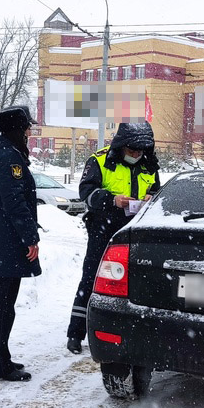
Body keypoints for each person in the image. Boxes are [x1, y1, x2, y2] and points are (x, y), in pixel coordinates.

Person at [66, 122, 160, 354]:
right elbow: (86, 193)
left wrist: (152, 197)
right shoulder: (99, 160)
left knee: (134, 283)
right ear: (121, 146)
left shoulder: (148, 163)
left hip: (136, 231)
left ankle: (131, 331)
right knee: (91, 279)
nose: (136, 155)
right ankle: (76, 333)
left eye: (140, 151)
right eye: (132, 151)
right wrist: (111, 200)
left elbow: (158, 191)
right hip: (103, 229)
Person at [0, 105, 41, 381]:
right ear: (17, 129)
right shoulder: (9, 158)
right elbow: (15, 203)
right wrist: (30, 237)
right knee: (1, 307)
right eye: (27, 128)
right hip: (7, 243)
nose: (29, 133)